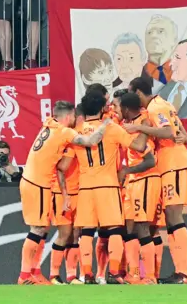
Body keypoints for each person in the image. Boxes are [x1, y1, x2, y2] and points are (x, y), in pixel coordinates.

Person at [59, 90, 148, 285]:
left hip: (85, 188)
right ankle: (115, 273)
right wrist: (145, 128)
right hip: (108, 186)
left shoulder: (77, 132)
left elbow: (63, 166)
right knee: (115, 229)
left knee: (87, 232)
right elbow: (139, 147)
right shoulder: (112, 128)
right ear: (102, 108)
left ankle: (87, 275)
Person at [17, 100, 111, 285]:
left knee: (43, 229)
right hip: (38, 184)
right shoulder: (64, 131)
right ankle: (24, 276)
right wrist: (107, 123)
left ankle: (35, 273)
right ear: (68, 117)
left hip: (32, 181)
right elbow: (91, 140)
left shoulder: (48, 125)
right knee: (37, 229)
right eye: (73, 117)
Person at [126, 77, 187, 284]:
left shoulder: (156, 108)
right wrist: (182, 137)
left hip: (174, 164)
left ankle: (182, 273)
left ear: (138, 93)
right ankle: (175, 272)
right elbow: (183, 134)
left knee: (174, 217)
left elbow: (168, 132)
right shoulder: (165, 104)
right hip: (171, 164)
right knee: (168, 219)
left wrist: (140, 129)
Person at [117, 92, 160, 284]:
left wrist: (128, 170)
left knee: (143, 227)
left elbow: (150, 160)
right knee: (130, 228)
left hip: (145, 179)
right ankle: (133, 274)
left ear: (126, 109)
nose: (116, 111)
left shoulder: (142, 124)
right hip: (133, 181)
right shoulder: (132, 125)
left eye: (118, 108)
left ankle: (150, 276)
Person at [49, 104, 86, 285]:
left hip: (78, 191)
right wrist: (65, 196)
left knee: (75, 234)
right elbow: (61, 168)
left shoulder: (77, 138)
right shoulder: (68, 139)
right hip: (62, 193)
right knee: (64, 233)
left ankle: (72, 276)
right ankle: (54, 275)